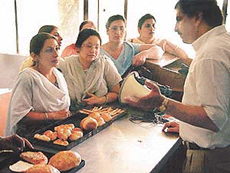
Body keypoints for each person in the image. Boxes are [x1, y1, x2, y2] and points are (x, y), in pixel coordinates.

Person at [125, 0, 230, 172]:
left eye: (179, 19)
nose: (175, 28)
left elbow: (214, 117)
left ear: (197, 17)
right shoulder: (223, 43)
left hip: (208, 160)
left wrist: (162, 103)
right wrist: (189, 128)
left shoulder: (210, 55)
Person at [5, 33, 70, 138]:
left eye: (57, 49)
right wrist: (52, 116)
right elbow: (21, 115)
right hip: (31, 136)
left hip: (57, 131)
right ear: (34, 56)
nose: (56, 54)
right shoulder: (27, 77)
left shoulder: (58, 74)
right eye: (49, 50)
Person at [58, 29, 122, 110]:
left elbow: (117, 92)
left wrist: (100, 100)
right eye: (89, 46)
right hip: (71, 115)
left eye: (96, 47)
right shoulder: (67, 64)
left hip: (100, 113)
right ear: (78, 47)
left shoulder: (105, 63)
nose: (93, 51)